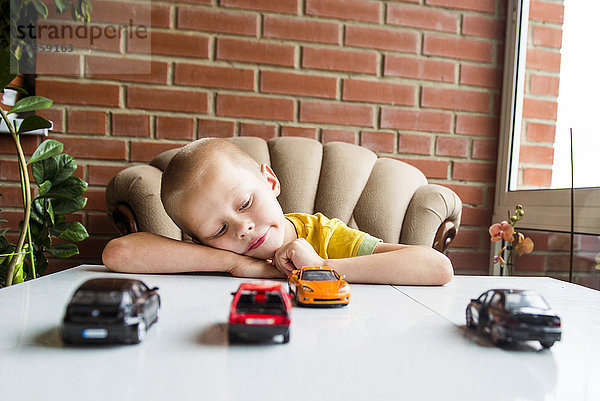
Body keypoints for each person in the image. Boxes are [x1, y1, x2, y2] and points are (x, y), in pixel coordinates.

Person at [102, 138, 453, 285]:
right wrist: (235, 264)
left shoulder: (323, 235)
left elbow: (438, 267)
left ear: (269, 181)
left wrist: (320, 267)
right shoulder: (212, 255)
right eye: (218, 230)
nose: (241, 229)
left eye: (244, 203)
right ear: (198, 239)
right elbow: (119, 252)